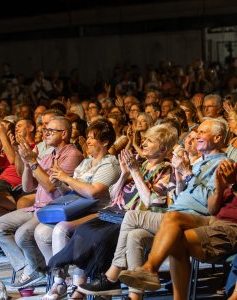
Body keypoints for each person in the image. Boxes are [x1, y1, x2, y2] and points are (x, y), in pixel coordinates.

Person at [78, 118, 228, 299]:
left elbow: (209, 202)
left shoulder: (222, 164)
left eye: (203, 132)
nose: (197, 137)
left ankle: (112, 275)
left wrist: (186, 174)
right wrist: (181, 179)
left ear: (218, 138)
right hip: (175, 213)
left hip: (196, 218)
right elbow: (182, 196)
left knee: (132, 216)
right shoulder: (196, 163)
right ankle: (135, 296)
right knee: (135, 236)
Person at [48, 124, 177, 299]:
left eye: (150, 140)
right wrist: (124, 174)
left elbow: (150, 201)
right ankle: (84, 286)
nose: (144, 143)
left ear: (162, 148)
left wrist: (134, 172)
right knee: (84, 229)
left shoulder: (166, 169)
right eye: (144, 139)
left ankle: (96, 286)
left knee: (100, 238)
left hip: (138, 219)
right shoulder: (141, 163)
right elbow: (114, 195)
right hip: (115, 213)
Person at [118, 160, 237, 300]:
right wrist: (220, 187)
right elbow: (212, 209)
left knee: (177, 241)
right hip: (212, 220)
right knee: (172, 216)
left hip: (231, 227)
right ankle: (149, 269)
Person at [0, 116, 83, 289]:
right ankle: (28, 267)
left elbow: (51, 187)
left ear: (64, 134)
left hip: (54, 209)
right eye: (45, 130)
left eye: (51, 131)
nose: (45, 133)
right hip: (36, 208)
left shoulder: (73, 155)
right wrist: (26, 163)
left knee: (22, 235)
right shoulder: (48, 156)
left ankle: (36, 269)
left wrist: (32, 162)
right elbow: (27, 186)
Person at [36, 120, 122, 300]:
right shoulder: (86, 163)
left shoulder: (109, 164)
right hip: (78, 209)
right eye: (88, 138)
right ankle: (60, 280)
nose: (88, 142)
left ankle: (74, 285)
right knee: (41, 231)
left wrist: (66, 178)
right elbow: (73, 191)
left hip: (100, 212)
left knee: (62, 229)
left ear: (105, 142)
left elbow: (93, 193)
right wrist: (60, 184)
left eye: (92, 138)